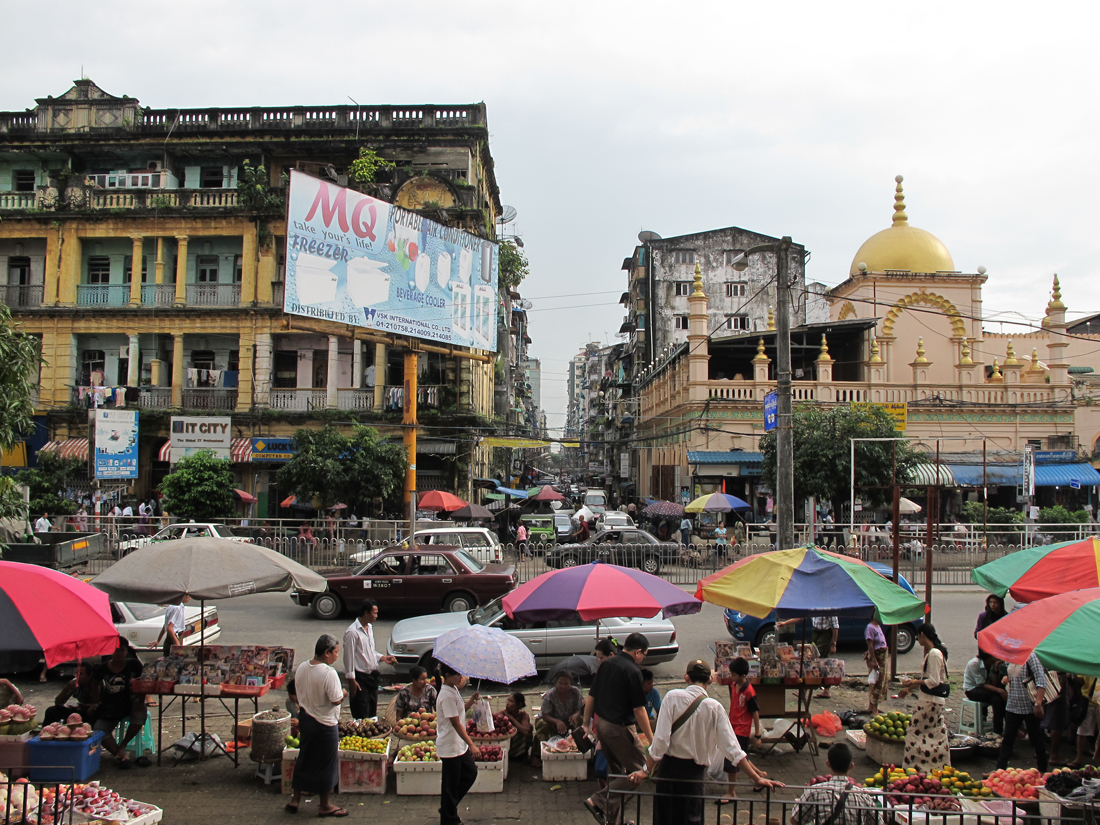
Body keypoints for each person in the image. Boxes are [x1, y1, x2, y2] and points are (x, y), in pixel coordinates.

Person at [632, 659, 782, 825]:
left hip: (668, 772)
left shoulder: (671, 697)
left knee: (665, 818)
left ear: (686, 677)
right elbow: (733, 749)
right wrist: (756, 777)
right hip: (694, 776)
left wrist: (646, 770)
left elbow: (660, 742)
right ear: (710, 680)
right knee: (691, 819)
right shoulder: (714, 708)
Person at [581, 632, 654, 825]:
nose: (642, 659)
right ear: (638, 652)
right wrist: (652, 739)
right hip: (619, 728)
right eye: (643, 655)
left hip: (601, 726)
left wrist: (586, 723)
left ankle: (614, 821)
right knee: (641, 769)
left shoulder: (606, 665)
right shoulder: (632, 671)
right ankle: (598, 800)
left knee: (617, 775)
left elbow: (591, 696)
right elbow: (639, 709)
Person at [287, 634, 348, 817]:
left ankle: (295, 799)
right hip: (325, 724)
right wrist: (344, 692)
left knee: (304, 759)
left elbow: (298, 692)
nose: (337, 656)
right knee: (326, 764)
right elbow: (336, 700)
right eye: (336, 652)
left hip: (306, 719)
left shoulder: (303, 667)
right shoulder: (329, 673)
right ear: (327, 653)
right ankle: (325, 805)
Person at [898, 623, 951, 771]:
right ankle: (936, 766)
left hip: (929, 701)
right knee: (935, 733)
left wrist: (912, 681)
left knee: (914, 731)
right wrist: (908, 689)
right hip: (933, 701)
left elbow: (933, 681)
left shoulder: (934, 653)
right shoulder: (935, 652)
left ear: (922, 635)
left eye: (917, 636)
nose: (917, 640)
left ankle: (915, 767)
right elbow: (928, 678)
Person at [790, 743, 883, 825]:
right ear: (851, 766)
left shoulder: (814, 791)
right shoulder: (863, 796)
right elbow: (878, 822)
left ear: (828, 764)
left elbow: (795, 820)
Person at [437, 662, 481, 825]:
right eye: (458, 675)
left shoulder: (453, 690)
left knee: (470, 773)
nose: (461, 677)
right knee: (450, 784)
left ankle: (448, 807)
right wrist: (472, 744)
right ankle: (449, 819)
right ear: (448, 676)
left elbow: (460, 709)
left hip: (458, 745)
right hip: (450, 746)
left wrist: (471, 700)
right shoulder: (446, 695)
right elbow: (456, 723)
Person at [93, 638, 146, 767]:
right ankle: (120, 754)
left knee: (140, 715)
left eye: (122, 650)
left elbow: (144, 683)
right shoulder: (102, 668)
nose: (119, 653)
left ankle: (123, 744)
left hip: (132, 702)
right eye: (116, 650)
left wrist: (140, 701)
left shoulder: (135, 665)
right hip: (110, 705)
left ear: (126, 651)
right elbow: (94, 685)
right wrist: (95, 702)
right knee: (99, 729)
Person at [343, 600, 397, 720]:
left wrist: (382, 658)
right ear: (366, 613)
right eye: (374, 613)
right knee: (361, 709)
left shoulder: (370, 628)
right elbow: (349, 657)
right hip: (360, 677)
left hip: (372, 676)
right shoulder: (352, 632)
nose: (376, 616)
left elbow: (370, 651)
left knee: (372, 708)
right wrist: (352, 679)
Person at [996, 651, 1048, 772]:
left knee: (1036, 739)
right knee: (1008, 738)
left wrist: (1038, 703)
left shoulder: (1031, 656)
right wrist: (1007, 678)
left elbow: (1041, 680)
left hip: (1029, 705)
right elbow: (1012, 673)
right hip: (1013, 704)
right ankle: (1000, 770)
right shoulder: (1011, 656)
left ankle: (1043, 770)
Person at [725, 657, 764, 800]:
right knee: (742, 758)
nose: (731, 677)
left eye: (734, 675)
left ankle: (732, 791)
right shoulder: (734, 685)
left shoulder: (749, 691)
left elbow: (755, 712)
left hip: (742, 730)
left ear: (743, 676)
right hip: (732, 727)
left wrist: (758, 734)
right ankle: (760, 776)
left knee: (733, 761)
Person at [531, 672, 584, 768]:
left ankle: (581, 748)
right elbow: (545, 715)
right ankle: (537, 754)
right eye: (560, 683)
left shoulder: (575, 692)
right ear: (556, 683)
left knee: (580, 721)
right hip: (549, 720)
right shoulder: (550, 695)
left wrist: (575, 715)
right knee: (544, 726)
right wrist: (557, 722)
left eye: (566, 684)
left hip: (568, 719)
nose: (563, 686)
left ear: (570, 683)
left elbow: (578, 709)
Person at [963, 651, 1006, 735]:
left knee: (998, 699)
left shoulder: (993, 664)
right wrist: (1000, 691)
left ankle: (1000, 726)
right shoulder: (974, 664)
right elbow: (982, 684)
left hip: (986, 689)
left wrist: (996, 668)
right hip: (972, 689)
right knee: (997, 699)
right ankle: (998, 730)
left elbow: (995, 684)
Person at [1071, 675, 1100, 768]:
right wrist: (1073, 674)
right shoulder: (1091, 661)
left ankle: (1096, 758)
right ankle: (1078, 758)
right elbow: (1082, 679)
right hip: (1088, 699)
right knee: (1082, 729)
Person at [865, 614, 890, 716]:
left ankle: (871, 706)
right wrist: (874, 659)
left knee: (881, 680)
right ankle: (874, 708)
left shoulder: (878, 627)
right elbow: (870, 644)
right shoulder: (870, 627)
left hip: (882, 656)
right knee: (877, 683)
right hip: (877, 657)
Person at [813, 615, 840, 698]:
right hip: (815, 632)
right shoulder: (814, 605)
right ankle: (826, 689)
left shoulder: (829, 607)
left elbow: (835, 627)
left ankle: (807, 688)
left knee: (815, 659)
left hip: (825, 633)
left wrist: (833, 644)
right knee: (823, 661)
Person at [504, 692, 532, 762]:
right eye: (508, 700)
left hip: (520, 750)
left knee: (530, 727)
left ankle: (523, 754)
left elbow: (525, 731)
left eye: (511, 701)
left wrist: (512, 719)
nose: (507, 703)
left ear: (519, 705)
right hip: (508, 748)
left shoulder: (523, 715)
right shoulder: (503, 714)